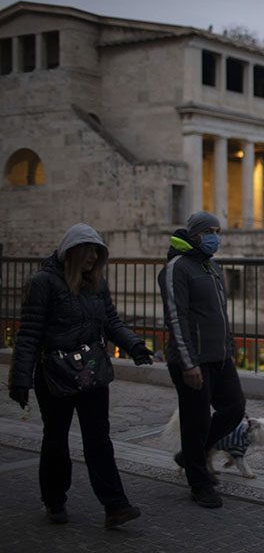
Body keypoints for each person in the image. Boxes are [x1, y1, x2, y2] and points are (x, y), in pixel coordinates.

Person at [7, 223, 153, 527]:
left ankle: (115, 505)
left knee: (98, 439)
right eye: (89, 252)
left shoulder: (97, 284)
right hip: (54, 374)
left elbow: (111, 322)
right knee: (56, 439)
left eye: (98, 253)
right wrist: (20, 379)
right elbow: (29, 335)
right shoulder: (43, 283)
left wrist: (134, 345)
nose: (93, 258)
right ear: (72, 252)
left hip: (91, 372)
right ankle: (54, 501)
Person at [158, 211, 245, 509]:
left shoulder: (212, 267)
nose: (215, 237)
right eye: (209, 231)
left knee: (234, 408)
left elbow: (220, 313)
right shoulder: (177, 268)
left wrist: (229, 346)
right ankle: (199, 483)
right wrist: (188, 363)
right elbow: (176, 317)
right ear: (194, 235)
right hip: (192, 359)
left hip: (219, 357)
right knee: (195, 421)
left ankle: (191, 455)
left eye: (218, 231)